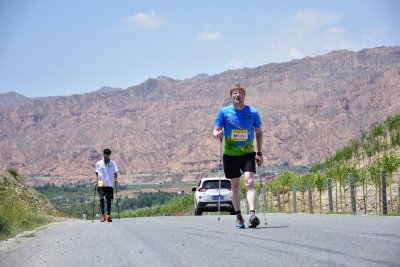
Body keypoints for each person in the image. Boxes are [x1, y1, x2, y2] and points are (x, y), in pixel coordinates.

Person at [213, 84, 264, 229]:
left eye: (240, 93)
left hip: (247, 153)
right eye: (235, 93)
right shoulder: (224, 112)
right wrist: (218, 134)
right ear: (231, 96)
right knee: (234, 186)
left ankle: (253, 214)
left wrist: (259, 152)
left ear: (244, 96)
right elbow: (215, 130)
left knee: (249, 182)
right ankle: (239, 216)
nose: (237, 95)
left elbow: (259, 132)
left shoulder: (252, 112)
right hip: (230, 154)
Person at [94, 148, 118, 222]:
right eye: (105, 154)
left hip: (109, 183)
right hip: (101, 183)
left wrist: (116, 179)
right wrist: (96, 181)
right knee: (101, 198)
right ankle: (102, 216)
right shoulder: (98, 163)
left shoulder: (113, 163)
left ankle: (108, 216)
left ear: (110, 155)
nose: (107, 156)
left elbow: (115, 172)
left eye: (108, 154)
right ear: (103, 154)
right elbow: (97, 173)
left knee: (108, 200)